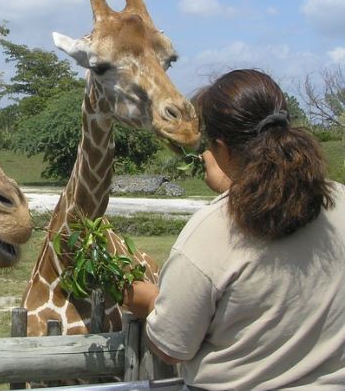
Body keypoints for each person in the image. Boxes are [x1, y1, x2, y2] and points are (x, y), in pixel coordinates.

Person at [123, 69, 345, 390]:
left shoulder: (210, 232)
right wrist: (234, 187)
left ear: (221, 148)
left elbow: (172, 347)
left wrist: (149, 302)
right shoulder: (337, 198)